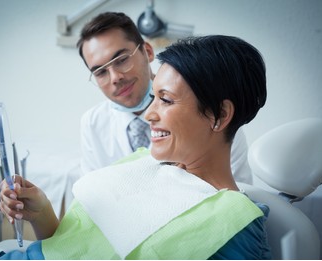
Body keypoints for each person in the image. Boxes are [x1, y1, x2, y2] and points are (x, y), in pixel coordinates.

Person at [0, 34, 271, 260]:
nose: (150, 114)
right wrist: (42, 213)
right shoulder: (141, 163)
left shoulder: (233, 224)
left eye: (166, 100)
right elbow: (77, 245)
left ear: (220, 115)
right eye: (155, 96)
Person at [63, 12, 253, 208]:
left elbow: (236, 197)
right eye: (100, 72)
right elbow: (93, 197)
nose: (115, 78)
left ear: (147, 51)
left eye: (121, 60)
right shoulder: (93, 122)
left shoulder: (212, 121)